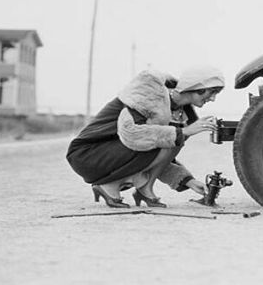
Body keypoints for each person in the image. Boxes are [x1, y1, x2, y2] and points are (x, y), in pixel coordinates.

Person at [66, 66, 224, 208]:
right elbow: (132, 134)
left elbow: (159, 152)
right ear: (197, 87)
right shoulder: (149, 94)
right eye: (212, 92)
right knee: (174, 136)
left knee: (174, 139)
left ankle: (145, 189)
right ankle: (109, 186)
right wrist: (185, 132)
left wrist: (187, 180)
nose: (213, 99)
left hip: (112, 152)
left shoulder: (180, 111)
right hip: (88, 154)